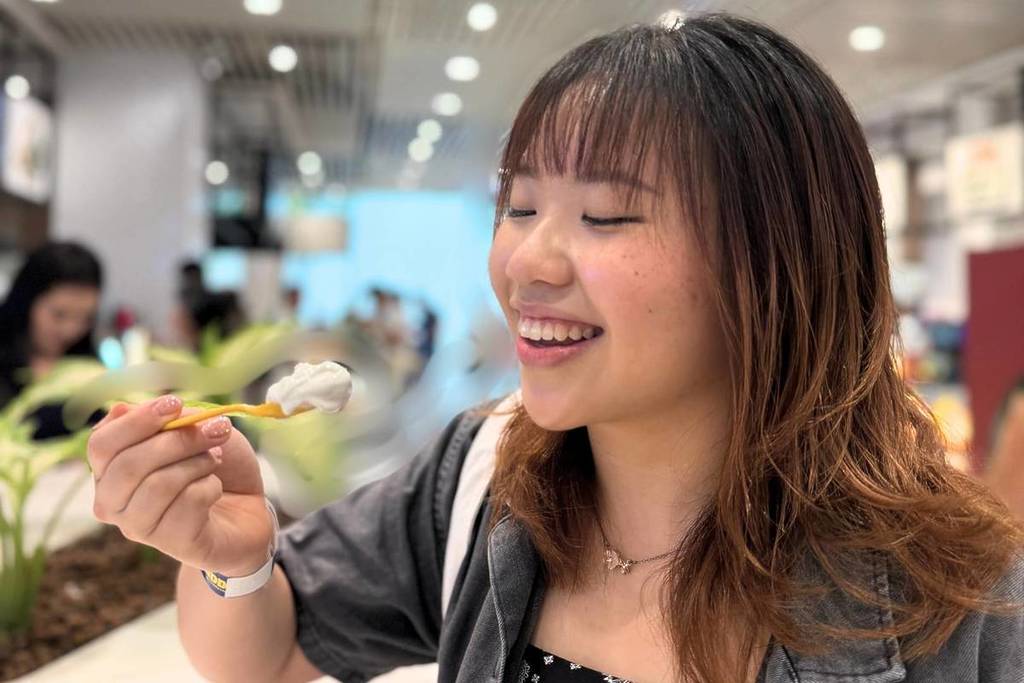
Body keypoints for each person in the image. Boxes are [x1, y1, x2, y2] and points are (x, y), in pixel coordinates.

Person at [86, 15, 1024, 683]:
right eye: (521, 204)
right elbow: (271, 652)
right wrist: (231, 557)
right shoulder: (483, 479)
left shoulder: (960, 600)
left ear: (774, 261)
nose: (528, 260)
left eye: (606, 215)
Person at [0, 241, 104, 438]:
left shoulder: (88, 366)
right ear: (27, 301)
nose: (70, 330)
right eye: (59, 315)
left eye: (86, 318)